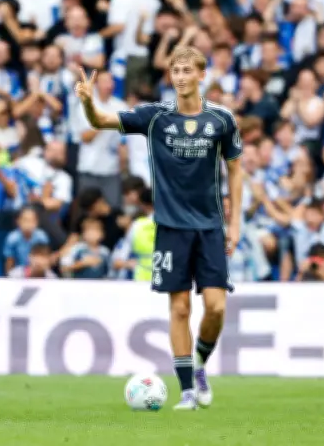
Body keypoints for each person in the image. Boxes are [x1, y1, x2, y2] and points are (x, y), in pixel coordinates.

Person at [74, 47, 243, 410]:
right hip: (170, 227)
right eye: (175, 71)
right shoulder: (155, 117)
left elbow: (236, 169)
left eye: (187, 70)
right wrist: (88, 103)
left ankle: (199, 363)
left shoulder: (222, 119)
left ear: (202, 75)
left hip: (210, 226)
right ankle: (187, 390)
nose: (180, 77)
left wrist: (235, 222)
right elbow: (100, 121)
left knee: (216, 308)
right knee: (179, 308)